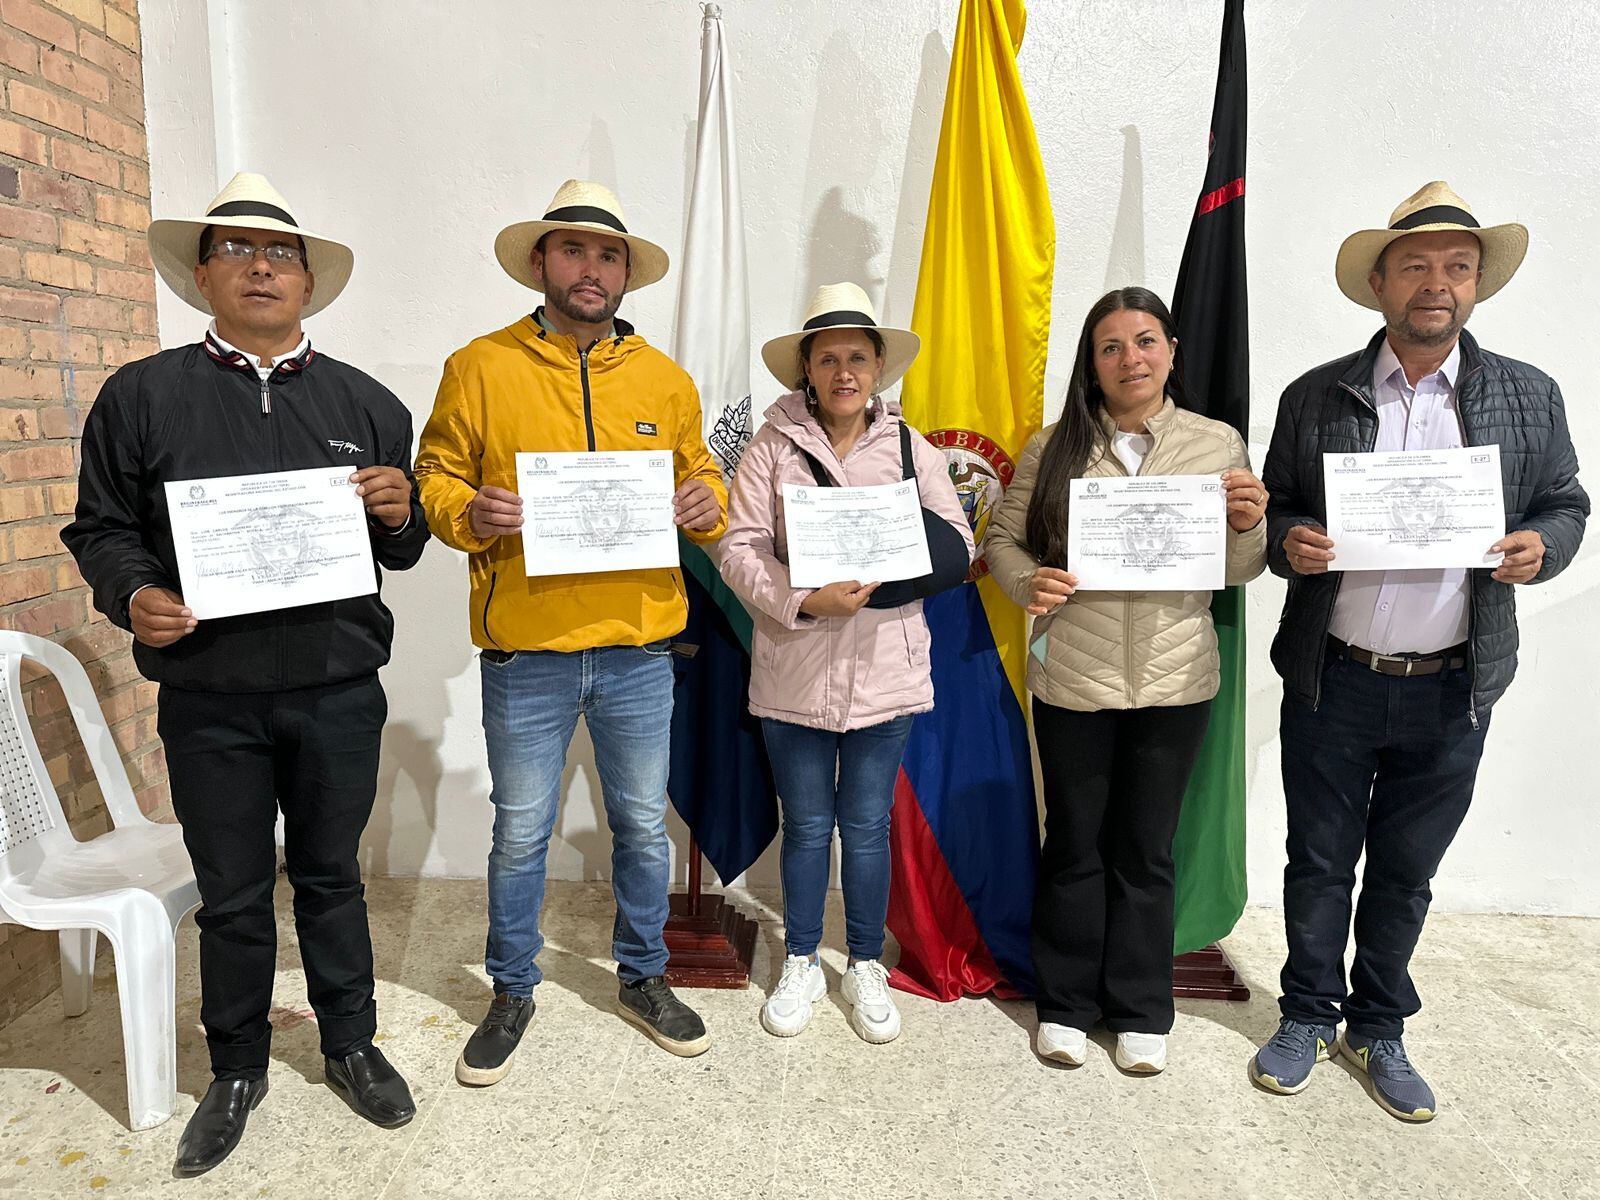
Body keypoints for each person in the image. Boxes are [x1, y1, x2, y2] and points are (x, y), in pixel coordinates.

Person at [62, 172, 429, 1176]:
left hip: (338, 689)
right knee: (230, 891)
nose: (259, 267)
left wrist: (402, 510)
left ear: (308, 280)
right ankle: (236, 1066)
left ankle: (350, 1042)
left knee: (331, 876)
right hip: (208, 695)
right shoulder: (143, 395)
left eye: (279, 253)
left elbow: (402, 551)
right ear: (202, 275)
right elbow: (101, 528)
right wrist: (132, 591)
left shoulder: (368, 403)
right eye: (235, 250)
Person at [1250, 182, 1587, 1121]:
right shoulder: (1316, 394)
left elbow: (1565, 503)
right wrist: (1288, 540)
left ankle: (1378, 1026)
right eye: (1416, 266)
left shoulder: (1529, 394)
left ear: (1477, 283)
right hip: (1333, 676)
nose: (1437, 283)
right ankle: (1306, 1015)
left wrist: (1543, 546)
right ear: (1380, 282)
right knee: (1318, 861)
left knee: (1406, 873)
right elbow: (1277, 505)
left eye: (1457, 267)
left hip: (1454, 686)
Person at [414, 179, 727, 1081]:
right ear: (541, 262)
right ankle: (512, 988)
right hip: (527, 653)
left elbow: (704, 477)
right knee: (520, 832)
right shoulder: (479, 366)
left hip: (639, 649)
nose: (591, 268)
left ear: (626, 273)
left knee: (642, 827)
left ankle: (643, 977)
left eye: (608, 255)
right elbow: (435, 474)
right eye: (574, 250)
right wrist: (468, 511)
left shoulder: (665, 380)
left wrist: (708, 502)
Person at [984, 286, 1267, 1075]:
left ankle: (1142, 1008)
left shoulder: (1216, 443)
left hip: (1176, 680)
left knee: (1147, 849)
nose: (1129, 359)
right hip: (1074, 675)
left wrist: (1249, 525)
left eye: (1144, 341)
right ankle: (1066, 1004)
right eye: (1110, 347)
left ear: (1171, 351)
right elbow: (1003, 539)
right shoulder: (1055, 446)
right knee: (1075, 843)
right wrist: (1028, 580)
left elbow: (1239, 568)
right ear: (1093, 363)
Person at [719, 283, 974, 1043]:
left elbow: (957, 544)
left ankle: (863, 961)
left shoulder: (910, 448)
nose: (843, 372)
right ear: (806, 368)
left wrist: (869, 590)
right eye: (827, 358)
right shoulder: (770, 448)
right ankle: (801, 956)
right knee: (805, 826)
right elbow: (739, 549)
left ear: (878, 367)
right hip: (794, 669)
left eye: (857, 357)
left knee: (865, 827)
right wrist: (806, 601)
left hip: (887, 672)